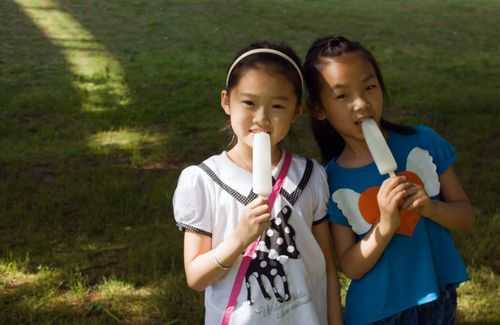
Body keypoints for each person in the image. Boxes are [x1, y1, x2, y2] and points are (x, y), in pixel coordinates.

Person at [302, 35, 475, 325]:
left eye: (369, 87)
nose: (361, 104)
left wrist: (430, 208)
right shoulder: (331, 179)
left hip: (439, 299)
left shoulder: (423, 143)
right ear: (319, 109)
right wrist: (384, 226)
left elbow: (466, 217)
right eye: (342, 95)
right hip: (379, 314)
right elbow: (350, 267)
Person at [172, 41, 342, 325]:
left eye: (277, 106)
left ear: (296, 110)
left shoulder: (311, 176)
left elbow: (327, 268)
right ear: (227, 101)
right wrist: (239, 239)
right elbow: (196, 277)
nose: (262, 119)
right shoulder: (204, 181)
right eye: (249, 103)